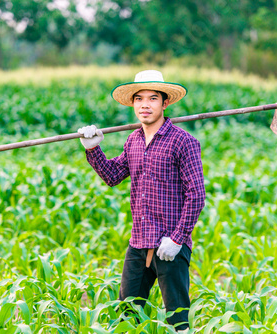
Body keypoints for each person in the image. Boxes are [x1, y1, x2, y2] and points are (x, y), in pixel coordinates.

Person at [77, 70, 205, 332]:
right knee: (127, 315)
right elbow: (112, 176)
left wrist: (178, 239)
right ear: (133, 104)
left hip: (170, 244)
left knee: (177, 319)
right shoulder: (133, 140)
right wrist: (92, 148)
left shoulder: (184, 142)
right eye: (139, 99)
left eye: (153, 98)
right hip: (139, 242)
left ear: (164, 103)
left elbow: (196, 195)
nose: (145, 105)